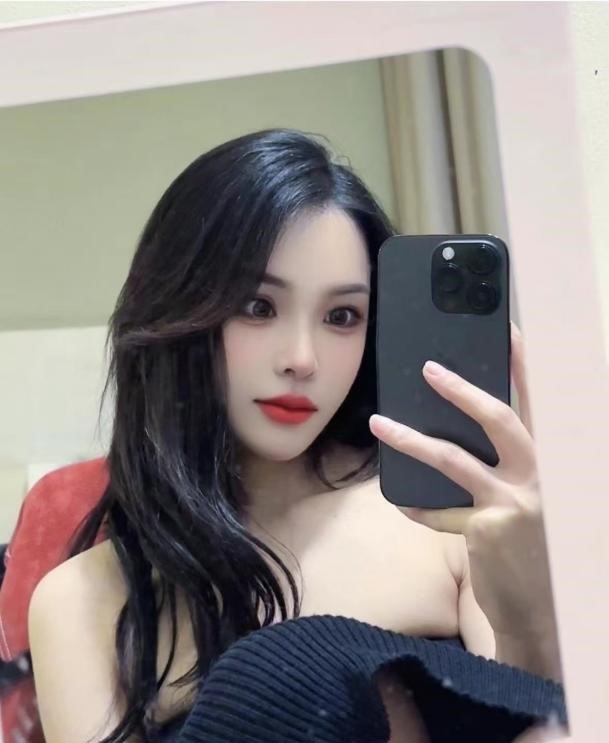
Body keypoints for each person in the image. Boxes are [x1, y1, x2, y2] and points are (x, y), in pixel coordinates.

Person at [27, 128, 565, 743]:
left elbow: (545, 725)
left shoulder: (444, 526)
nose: (302, 359)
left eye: (342, 316)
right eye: (259, 307)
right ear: (176, 311)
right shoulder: (83, 604)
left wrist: (531, 613)